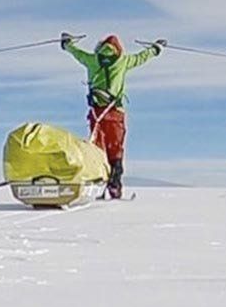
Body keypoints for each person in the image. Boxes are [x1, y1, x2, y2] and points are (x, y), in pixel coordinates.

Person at [61, 33, 166, 199]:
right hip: (115, 113)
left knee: (98, 147)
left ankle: (99, 182)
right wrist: (156, 48)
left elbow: (77, 53)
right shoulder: (122, 61)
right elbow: (141, 57)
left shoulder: (92, 60)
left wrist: (66, 44)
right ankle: (115, 185)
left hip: (97, 113)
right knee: (115, 148)